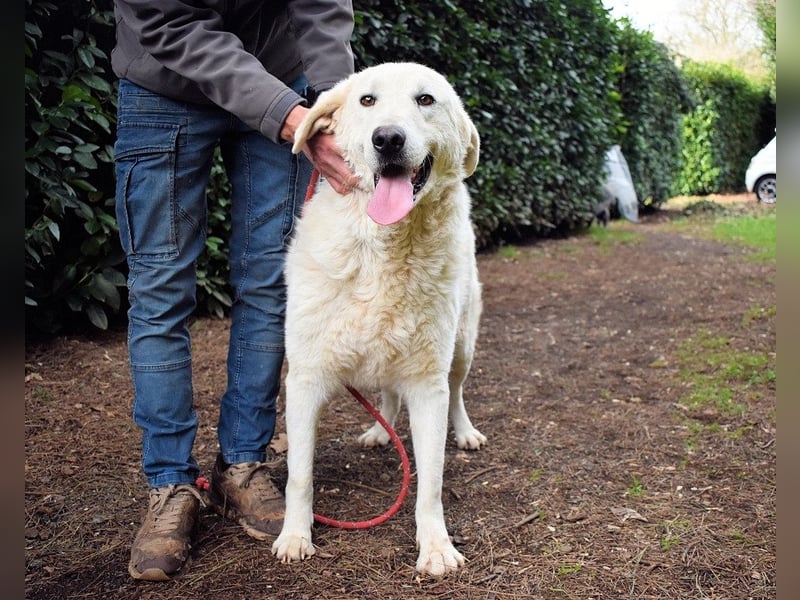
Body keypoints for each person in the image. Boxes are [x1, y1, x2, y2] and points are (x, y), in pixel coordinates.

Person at [111, 0, 356, 581]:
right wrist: (291, 118)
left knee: (272, 283)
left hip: (280, 75)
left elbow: (322, 8)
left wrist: (334, 109)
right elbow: (168, 22)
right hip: (161, 82)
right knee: (160, 292)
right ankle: (170, 482)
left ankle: (243, 464)